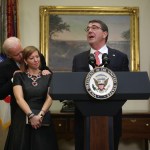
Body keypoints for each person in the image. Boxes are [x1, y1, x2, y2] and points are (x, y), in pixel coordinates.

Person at [72, 19, 129, 150]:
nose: (90, 30)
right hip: (83, 117)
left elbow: (125, 87)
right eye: (88, 29)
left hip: (111, 117)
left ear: (104, 34)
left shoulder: (120, 57)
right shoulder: (78, 58)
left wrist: (111, 105)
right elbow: (74, 87)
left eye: (94, 27)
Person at [4, 46, 58, 150]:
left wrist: (40, 115)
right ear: (25, 60)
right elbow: (19, 99)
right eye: (31, 58)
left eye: (37, 57)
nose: (36, 60)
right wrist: (31, 116)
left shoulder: (48, 76)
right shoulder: (19, 76)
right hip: (22, 118)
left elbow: (50, 97)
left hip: (42, 118)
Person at [0, 37, 50, 120]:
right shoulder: (3, 67)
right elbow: (0, 94)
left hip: (40, 109)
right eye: (16, 54)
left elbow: (45, 69)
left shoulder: (37, 57)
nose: (21, 55)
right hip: (18, 112)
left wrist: (45, 70)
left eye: (21, 51)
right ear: (9, 56)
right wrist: (13, 79)